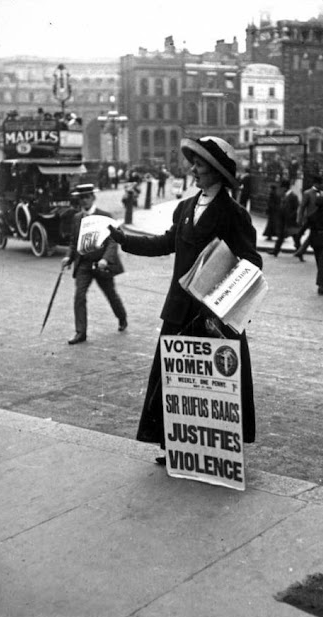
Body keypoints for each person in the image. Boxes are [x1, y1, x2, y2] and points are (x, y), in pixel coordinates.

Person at [107, 136, 262, 465]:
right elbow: (166, 243)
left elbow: (252, 264)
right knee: (174, 379)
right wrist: (123, 239)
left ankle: (215, 449)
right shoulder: (187, 207)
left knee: (213, 385)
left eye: (200, 165)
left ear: (217, 172)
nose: (193, 169)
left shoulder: (234, 214)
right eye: (194, 163)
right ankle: (174, 443)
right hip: (180, 311)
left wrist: (220, 284)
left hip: (212, 317)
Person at [61, 184, 127, 345]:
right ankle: (80, 332)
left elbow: (113, 241)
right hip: (83, 264)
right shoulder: (77, 219)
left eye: (87, 197)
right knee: (79, 296)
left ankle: (122, 317)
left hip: (101, 264)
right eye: (81, 198)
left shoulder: (104, 216)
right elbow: (73, 242)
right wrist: (68, 257)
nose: (84, 201)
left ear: (93, 197)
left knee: (110, 294)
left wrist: (105, 259)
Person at [295, 196, 323, 295]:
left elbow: (304, 228)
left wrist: (298, 237)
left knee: (319, 262)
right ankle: (321, 285)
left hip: (315, 241)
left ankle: (322, 283)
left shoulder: (312, 216)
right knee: (322, 263)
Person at [269, 179, 301, 259]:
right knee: (281, 236)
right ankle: (275, 251)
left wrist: (291, 216)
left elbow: (295, 208)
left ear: (285, 188)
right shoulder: (284, 195)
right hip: (283, 220)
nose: (281, 189)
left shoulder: (293, 196)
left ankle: (300, 252)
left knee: (295, 238)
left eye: (282, 187)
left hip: (290, 221)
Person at [295, 175, 323, 260]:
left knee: (312, 236)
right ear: (315, 184)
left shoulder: (322, 193)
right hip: (309, 219)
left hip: (318, 220)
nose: (320, 186)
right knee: (299, 235)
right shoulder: (308, 193)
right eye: (319, 184)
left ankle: (300, 252)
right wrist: (299, 218)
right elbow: (302, 206)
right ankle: (299, 250)